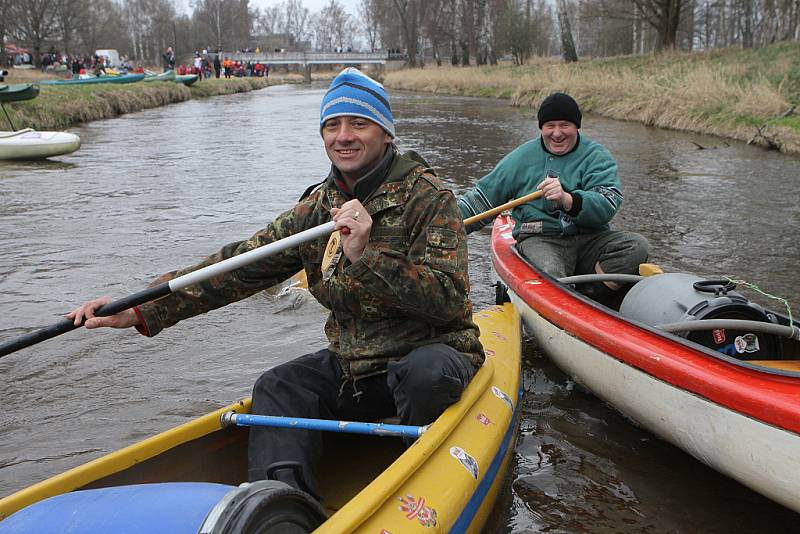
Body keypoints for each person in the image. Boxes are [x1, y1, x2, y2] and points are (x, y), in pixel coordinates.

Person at [67, 67, 484, 500]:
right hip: (355, 366)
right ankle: (281, 508)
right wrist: (139, 307)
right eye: (332, 125)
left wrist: (366, 256)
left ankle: (415, 469)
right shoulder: (315, 209)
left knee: (425, 375)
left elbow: (448, 301)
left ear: (385, 134)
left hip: (431, 355)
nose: (343, 136)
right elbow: (239, 267)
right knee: (278, 386)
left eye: (359, 124)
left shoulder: (430, 198)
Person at [458, 92, 649, 300]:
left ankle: (592, 295)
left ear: (576, 126)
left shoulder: (597, 157)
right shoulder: (521, 158)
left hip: (589, 239)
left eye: (564, 125)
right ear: (542, 127)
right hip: (541, 239)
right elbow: (481, 199)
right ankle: (564, 298)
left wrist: (568, 200)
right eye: (550, 126)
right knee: (548, 270)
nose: (557, 133)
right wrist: (444, 222)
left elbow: (607, 204)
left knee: (637, 247)